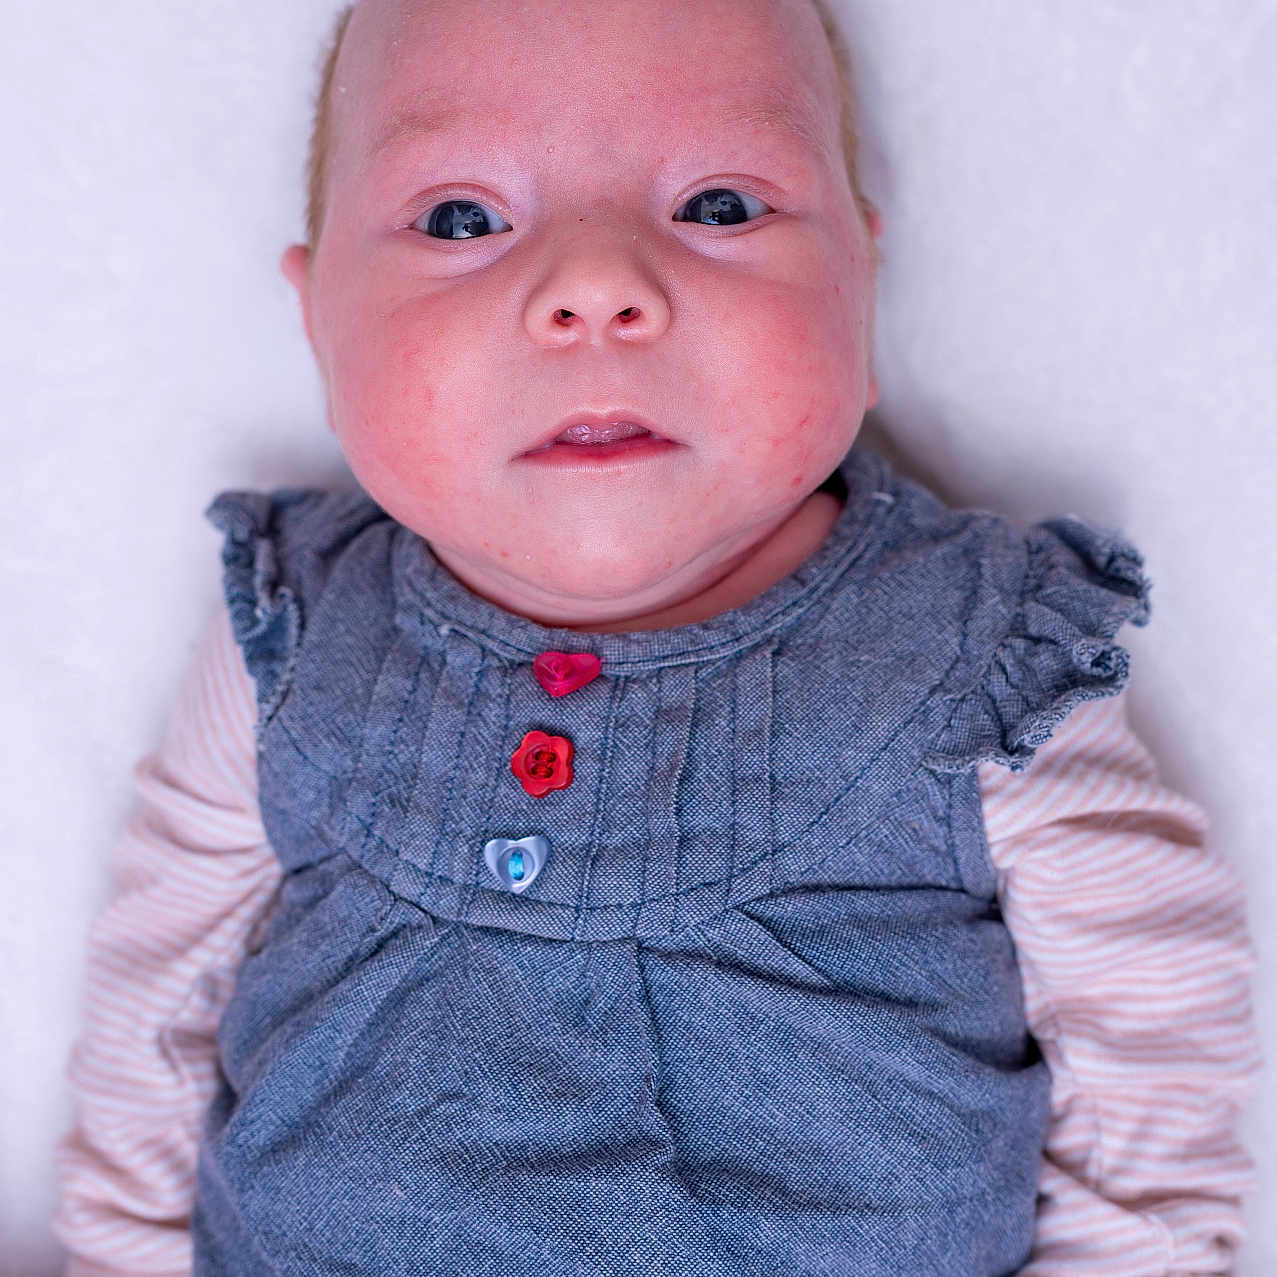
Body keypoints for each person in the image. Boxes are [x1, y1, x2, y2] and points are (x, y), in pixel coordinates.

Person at [53, 0, 1261, 1272]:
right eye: (461, 217)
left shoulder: (986, 656)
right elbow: (156, 997)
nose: (595, 288)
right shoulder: (290, 632)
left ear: (860, 278)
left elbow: (1150, 1040)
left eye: (720, 207)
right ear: (318, 320)